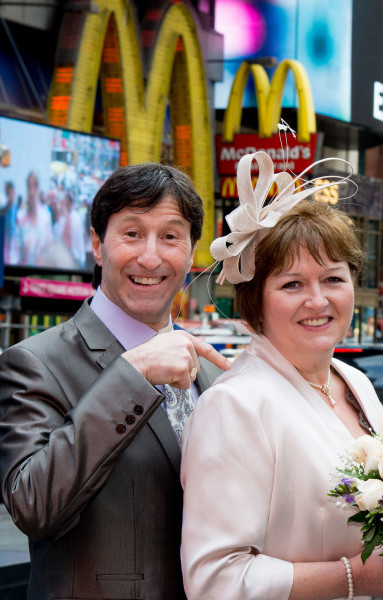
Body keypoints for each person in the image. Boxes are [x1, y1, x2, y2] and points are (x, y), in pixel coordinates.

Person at [180, 152, 383, 600]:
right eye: (292, 284)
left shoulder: (353, 380)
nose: (317, 301)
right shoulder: (236, 405)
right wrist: (359, 577)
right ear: (255, 300)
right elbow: (214, 580)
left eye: (333, 279)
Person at [0, 162, 231, 600]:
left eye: (170, 236)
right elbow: (33, 505)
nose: (150, 257)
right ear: (97, 245)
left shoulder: (215, 372)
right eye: (131, 233)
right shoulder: (33, 362)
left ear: (192, 250)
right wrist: (133, 373)